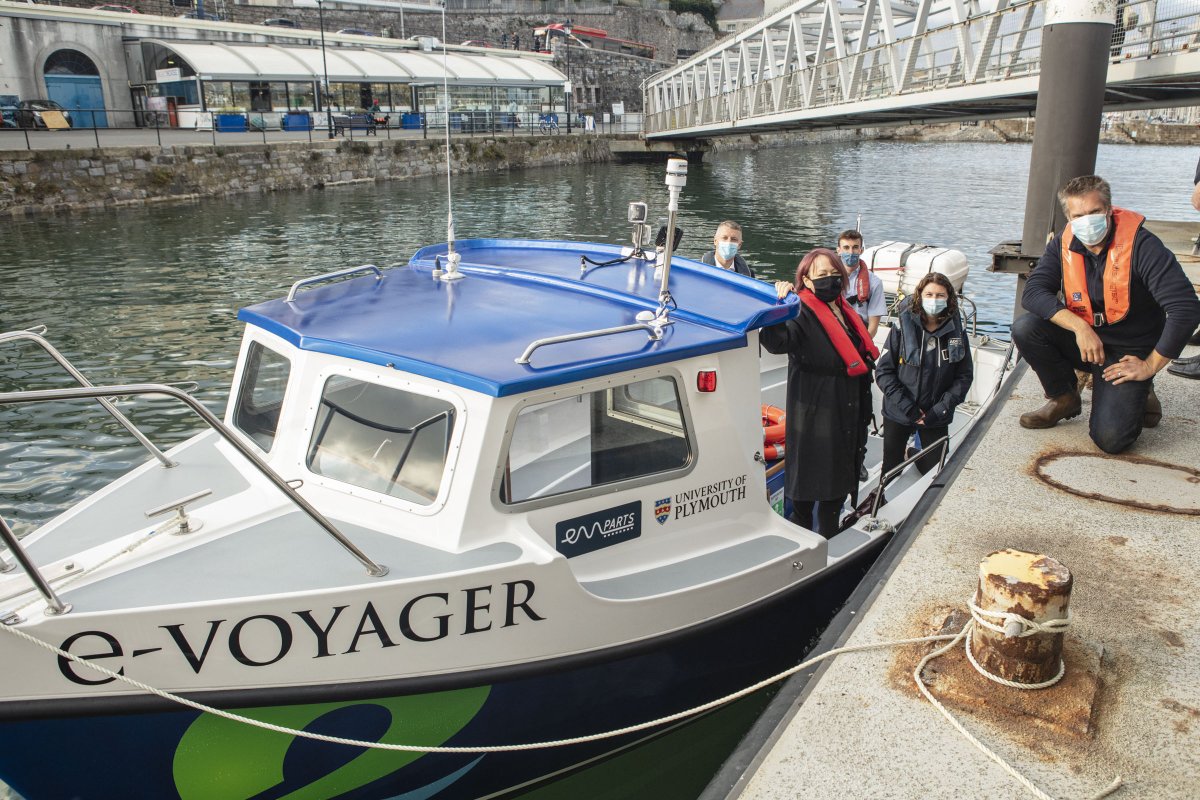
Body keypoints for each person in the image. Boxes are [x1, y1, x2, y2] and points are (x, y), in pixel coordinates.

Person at [1012, 175, 1200, 453]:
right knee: (1026, 328)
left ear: (1109, 210)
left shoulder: (1143, 246)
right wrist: (1079, 327)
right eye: (1078, 215)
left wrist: (1149, 365)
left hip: (1130, 350)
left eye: (1095, 212)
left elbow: (1186, 308)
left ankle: (1142, 388)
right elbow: (1034, 292)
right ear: (1069, 218)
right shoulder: (1064, 244)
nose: (1087, 221)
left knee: (1111, 440)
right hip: (1088, 343)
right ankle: (1064, 398)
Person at [761, 248, 879, 537]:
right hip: (816, 412)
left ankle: (831, 533)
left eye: (834, 273)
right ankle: (807, 543)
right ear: (807, 280)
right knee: (809, 486)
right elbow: (777, 341)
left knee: (837, 486)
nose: (830, 279)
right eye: (821, 274)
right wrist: (776, 305)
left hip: (848, 409)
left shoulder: (846, 310)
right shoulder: (801, 311)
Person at [875, 272, 974, 484]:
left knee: (936, 471)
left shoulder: (958, 333)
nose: (934, 299)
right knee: (891, 468)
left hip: (935, 414)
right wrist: (907, 407)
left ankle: (913, 453)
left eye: (940, 295)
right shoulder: (901, 329)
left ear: (949, 298)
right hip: (899, 410)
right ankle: (880, 500)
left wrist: (940, 409)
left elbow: (964, 377)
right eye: (929, 294)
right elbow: (883, 372)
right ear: (920, 296)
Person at [837, 229, 886, 337]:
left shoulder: (874, 283)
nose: (850, 252)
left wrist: (865, 346)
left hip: (858, 333)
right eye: (846, 247)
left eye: (855, 247)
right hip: (833, 329)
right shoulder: (828, 277)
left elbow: (873, 326)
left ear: (861, 250)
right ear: (838, 250)